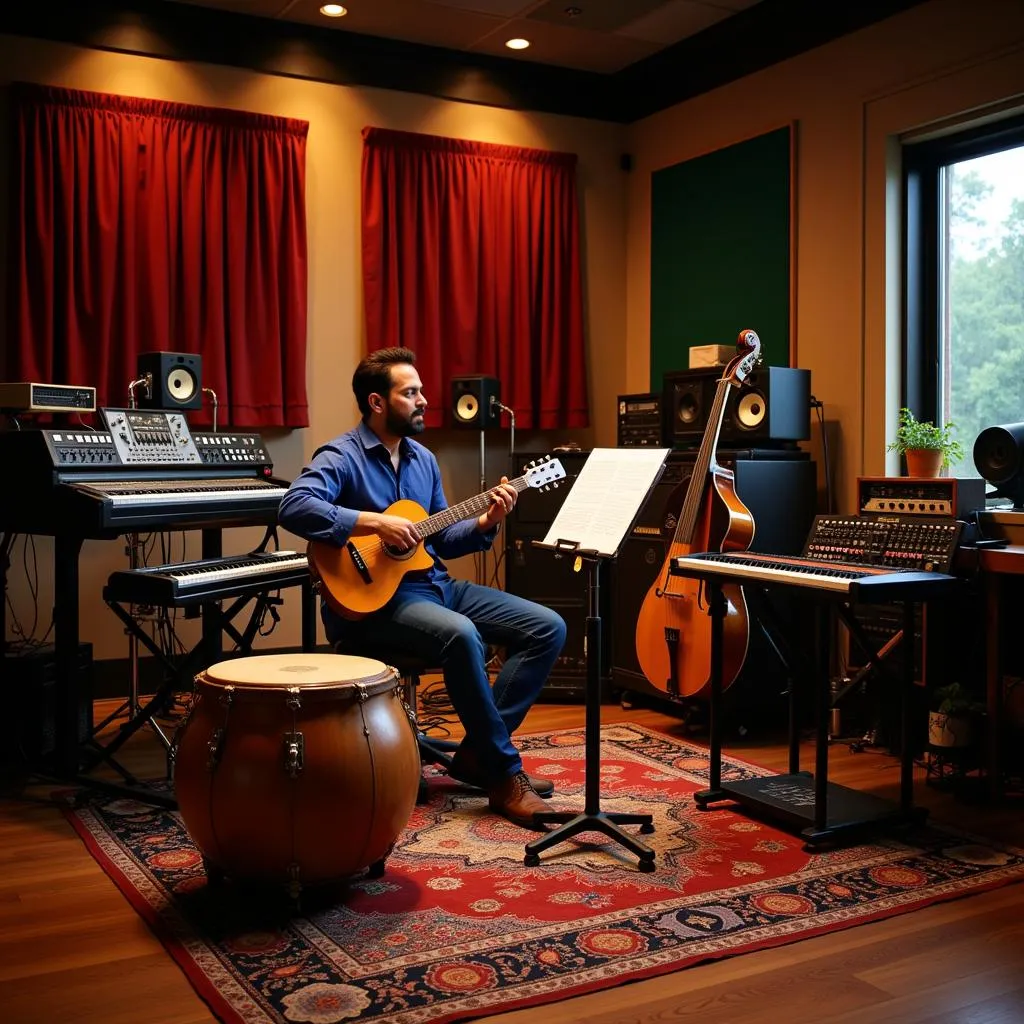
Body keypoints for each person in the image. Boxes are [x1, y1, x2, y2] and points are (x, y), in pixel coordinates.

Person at [278, 347, 567, 829]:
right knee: (461, 635)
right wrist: (374, 523)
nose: (424, 400)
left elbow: (443, 540)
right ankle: (503, 775)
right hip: (377, 603)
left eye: (421, 391)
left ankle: (479, 754)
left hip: (435, 585)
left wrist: (485, 520)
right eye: (410, 392)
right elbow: (294, 507)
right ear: (376, 402)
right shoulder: (341, 456)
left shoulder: (423, 460)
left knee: (548, 627)